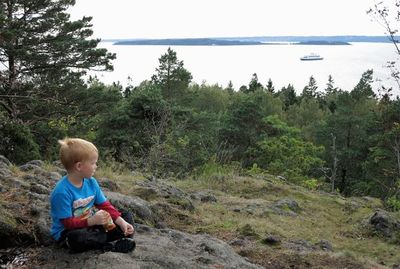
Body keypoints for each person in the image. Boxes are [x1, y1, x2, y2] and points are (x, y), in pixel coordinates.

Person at [50, 138, 136, 253]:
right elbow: (68, 223)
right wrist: (92, 221)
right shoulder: (61, 192)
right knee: (77, 238)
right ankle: (111, 243)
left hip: (92, 224)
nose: (96, 166)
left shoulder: (91, 182)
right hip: (70, 231)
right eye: (93, 163)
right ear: (79, 166)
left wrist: (121, 222)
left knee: (126, 215)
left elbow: (105, 205)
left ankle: (109, 239)